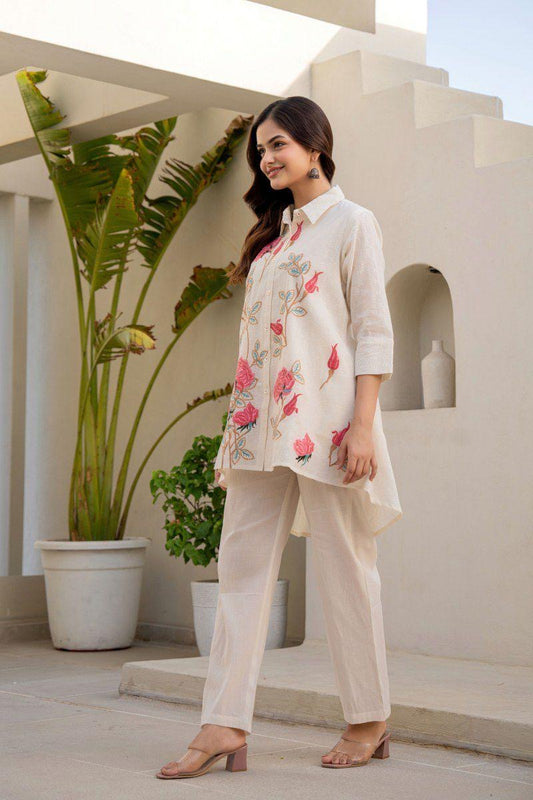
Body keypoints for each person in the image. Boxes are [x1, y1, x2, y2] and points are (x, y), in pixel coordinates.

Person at [157, 95, 401, 780]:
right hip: (257, 431)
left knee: (346, 570)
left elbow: (372, 330)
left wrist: (362, 425)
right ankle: (223, 721)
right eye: (260, 149)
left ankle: (368, 717)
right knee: (239, 572)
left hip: (328, 427)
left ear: (315, 146)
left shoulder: (351, 223)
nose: (266, 158)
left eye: (278, 145)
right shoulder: (273, 239)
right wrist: (234, 430)